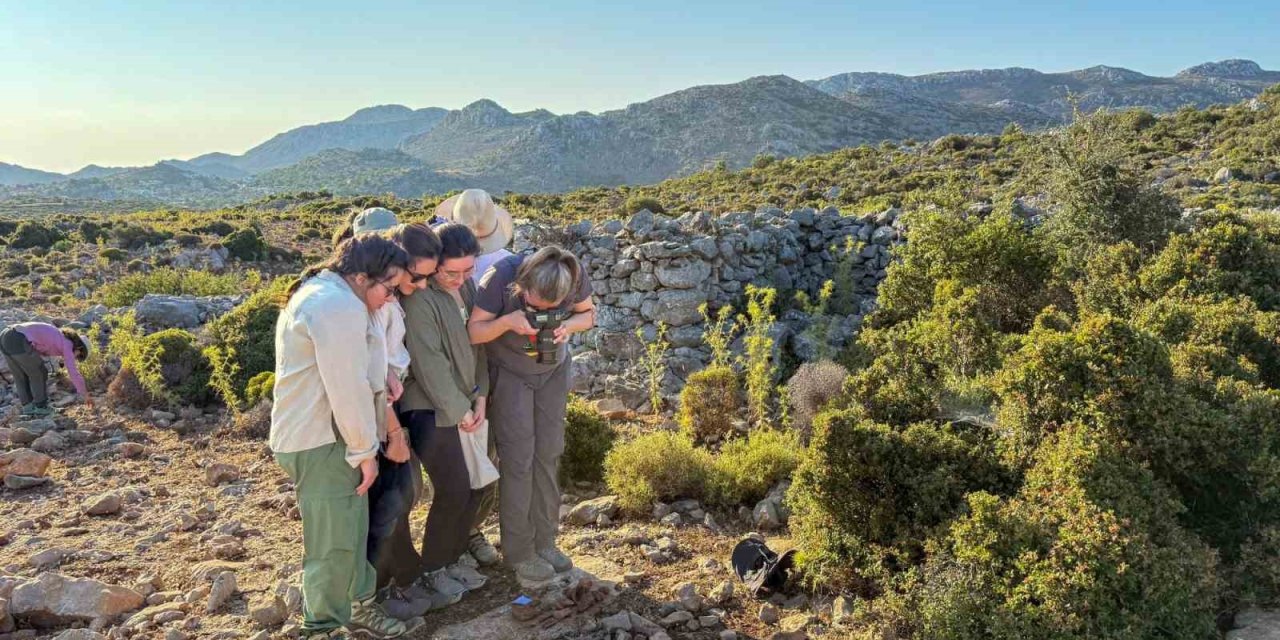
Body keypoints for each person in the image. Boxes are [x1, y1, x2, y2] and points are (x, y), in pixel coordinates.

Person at [270, 234, 418, 639]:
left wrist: (382, 375)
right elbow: (345, 387)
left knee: (350, 528)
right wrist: (364, 450)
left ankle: (356, 607)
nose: (390, 298)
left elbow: (356, 372)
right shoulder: (336, 306)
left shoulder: (333, 295)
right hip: (321, 440)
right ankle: (322, 626)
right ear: (360, 276)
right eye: (389, 288)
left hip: (324, 436)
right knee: (332, 541)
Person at [339, 208, 447, 617]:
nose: (417, 285)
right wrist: (394, 431)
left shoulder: (385, 299)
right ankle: (373, 591)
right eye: (413, 276)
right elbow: (368, 373)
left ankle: (392, 579)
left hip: (386, 405)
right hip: (376, 413)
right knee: (387, 500)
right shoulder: (366, 303)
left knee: (399, 496)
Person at [468, 246, 595, 584]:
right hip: (510, 373)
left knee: (549, 454)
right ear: (521, 285)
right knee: (519, 458)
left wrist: (567, 325)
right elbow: (474, 331)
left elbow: (588, 315)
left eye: (553, 308)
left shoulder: (572, 272)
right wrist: (508, 322)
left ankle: (546, 541)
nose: (543, 313)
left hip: (552, 371)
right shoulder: (500, 277)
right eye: (537, 307)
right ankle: (520, 552)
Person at [399, 223, 491, 602]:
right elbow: (428, 362)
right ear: (434, 265)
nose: (460, 278)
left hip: (466, 403)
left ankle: (451, 560)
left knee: (474, 486)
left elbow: (477, 343)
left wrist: (481, 394)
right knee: (453, 488)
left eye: (468, 270)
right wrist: (459, 409)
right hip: (429, 408)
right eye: (451, 271)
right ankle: (433, 570)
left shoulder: (465, 287)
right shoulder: (419, 300)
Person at [432, 188, 514, 566]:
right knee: (465, 469)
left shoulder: (465, 277)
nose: (464, 275)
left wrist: (477, 393)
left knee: (482, 462)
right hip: (455, 390)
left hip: (479, 380)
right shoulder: (428, 285)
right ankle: (454, 543)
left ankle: (465, 534)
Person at [0, 322, 92, 416]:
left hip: (5, 336)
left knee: (20, 375)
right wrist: (85, 394)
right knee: (40, 372)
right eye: (79, 356)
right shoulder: (69, 344)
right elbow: (73, 373)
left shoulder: (59, 336)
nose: (76, 358)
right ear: (79, 348)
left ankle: (28, 408)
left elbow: (37, 348)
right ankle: (41, 406)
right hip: (17, 338)